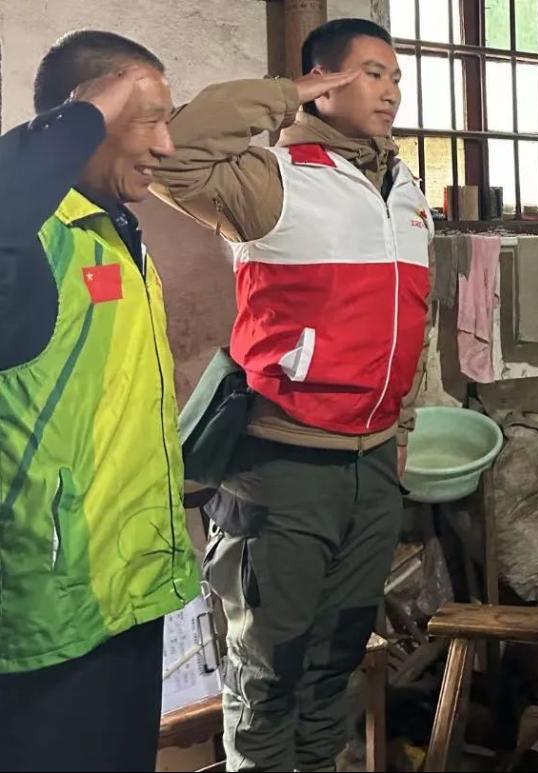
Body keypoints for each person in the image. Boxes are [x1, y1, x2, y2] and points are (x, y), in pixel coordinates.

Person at [151, 18, 432, 772]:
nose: (391, 91)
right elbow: (177, 150)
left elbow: (413, 323)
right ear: (326, 81)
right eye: (371, 73)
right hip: (284, 464)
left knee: (336, 663)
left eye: (396, 77)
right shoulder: (275, 180)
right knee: (269, 671)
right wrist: (288, 93)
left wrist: (400, 431)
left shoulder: (404, 190)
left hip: (372, 465)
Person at [0, 31, 198, 772]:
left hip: (127, 591)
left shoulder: (114, 231)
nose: (166, 145)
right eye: (145, 119)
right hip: (48, 607)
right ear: (83, 116)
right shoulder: (29, 244)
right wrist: (84, 115)